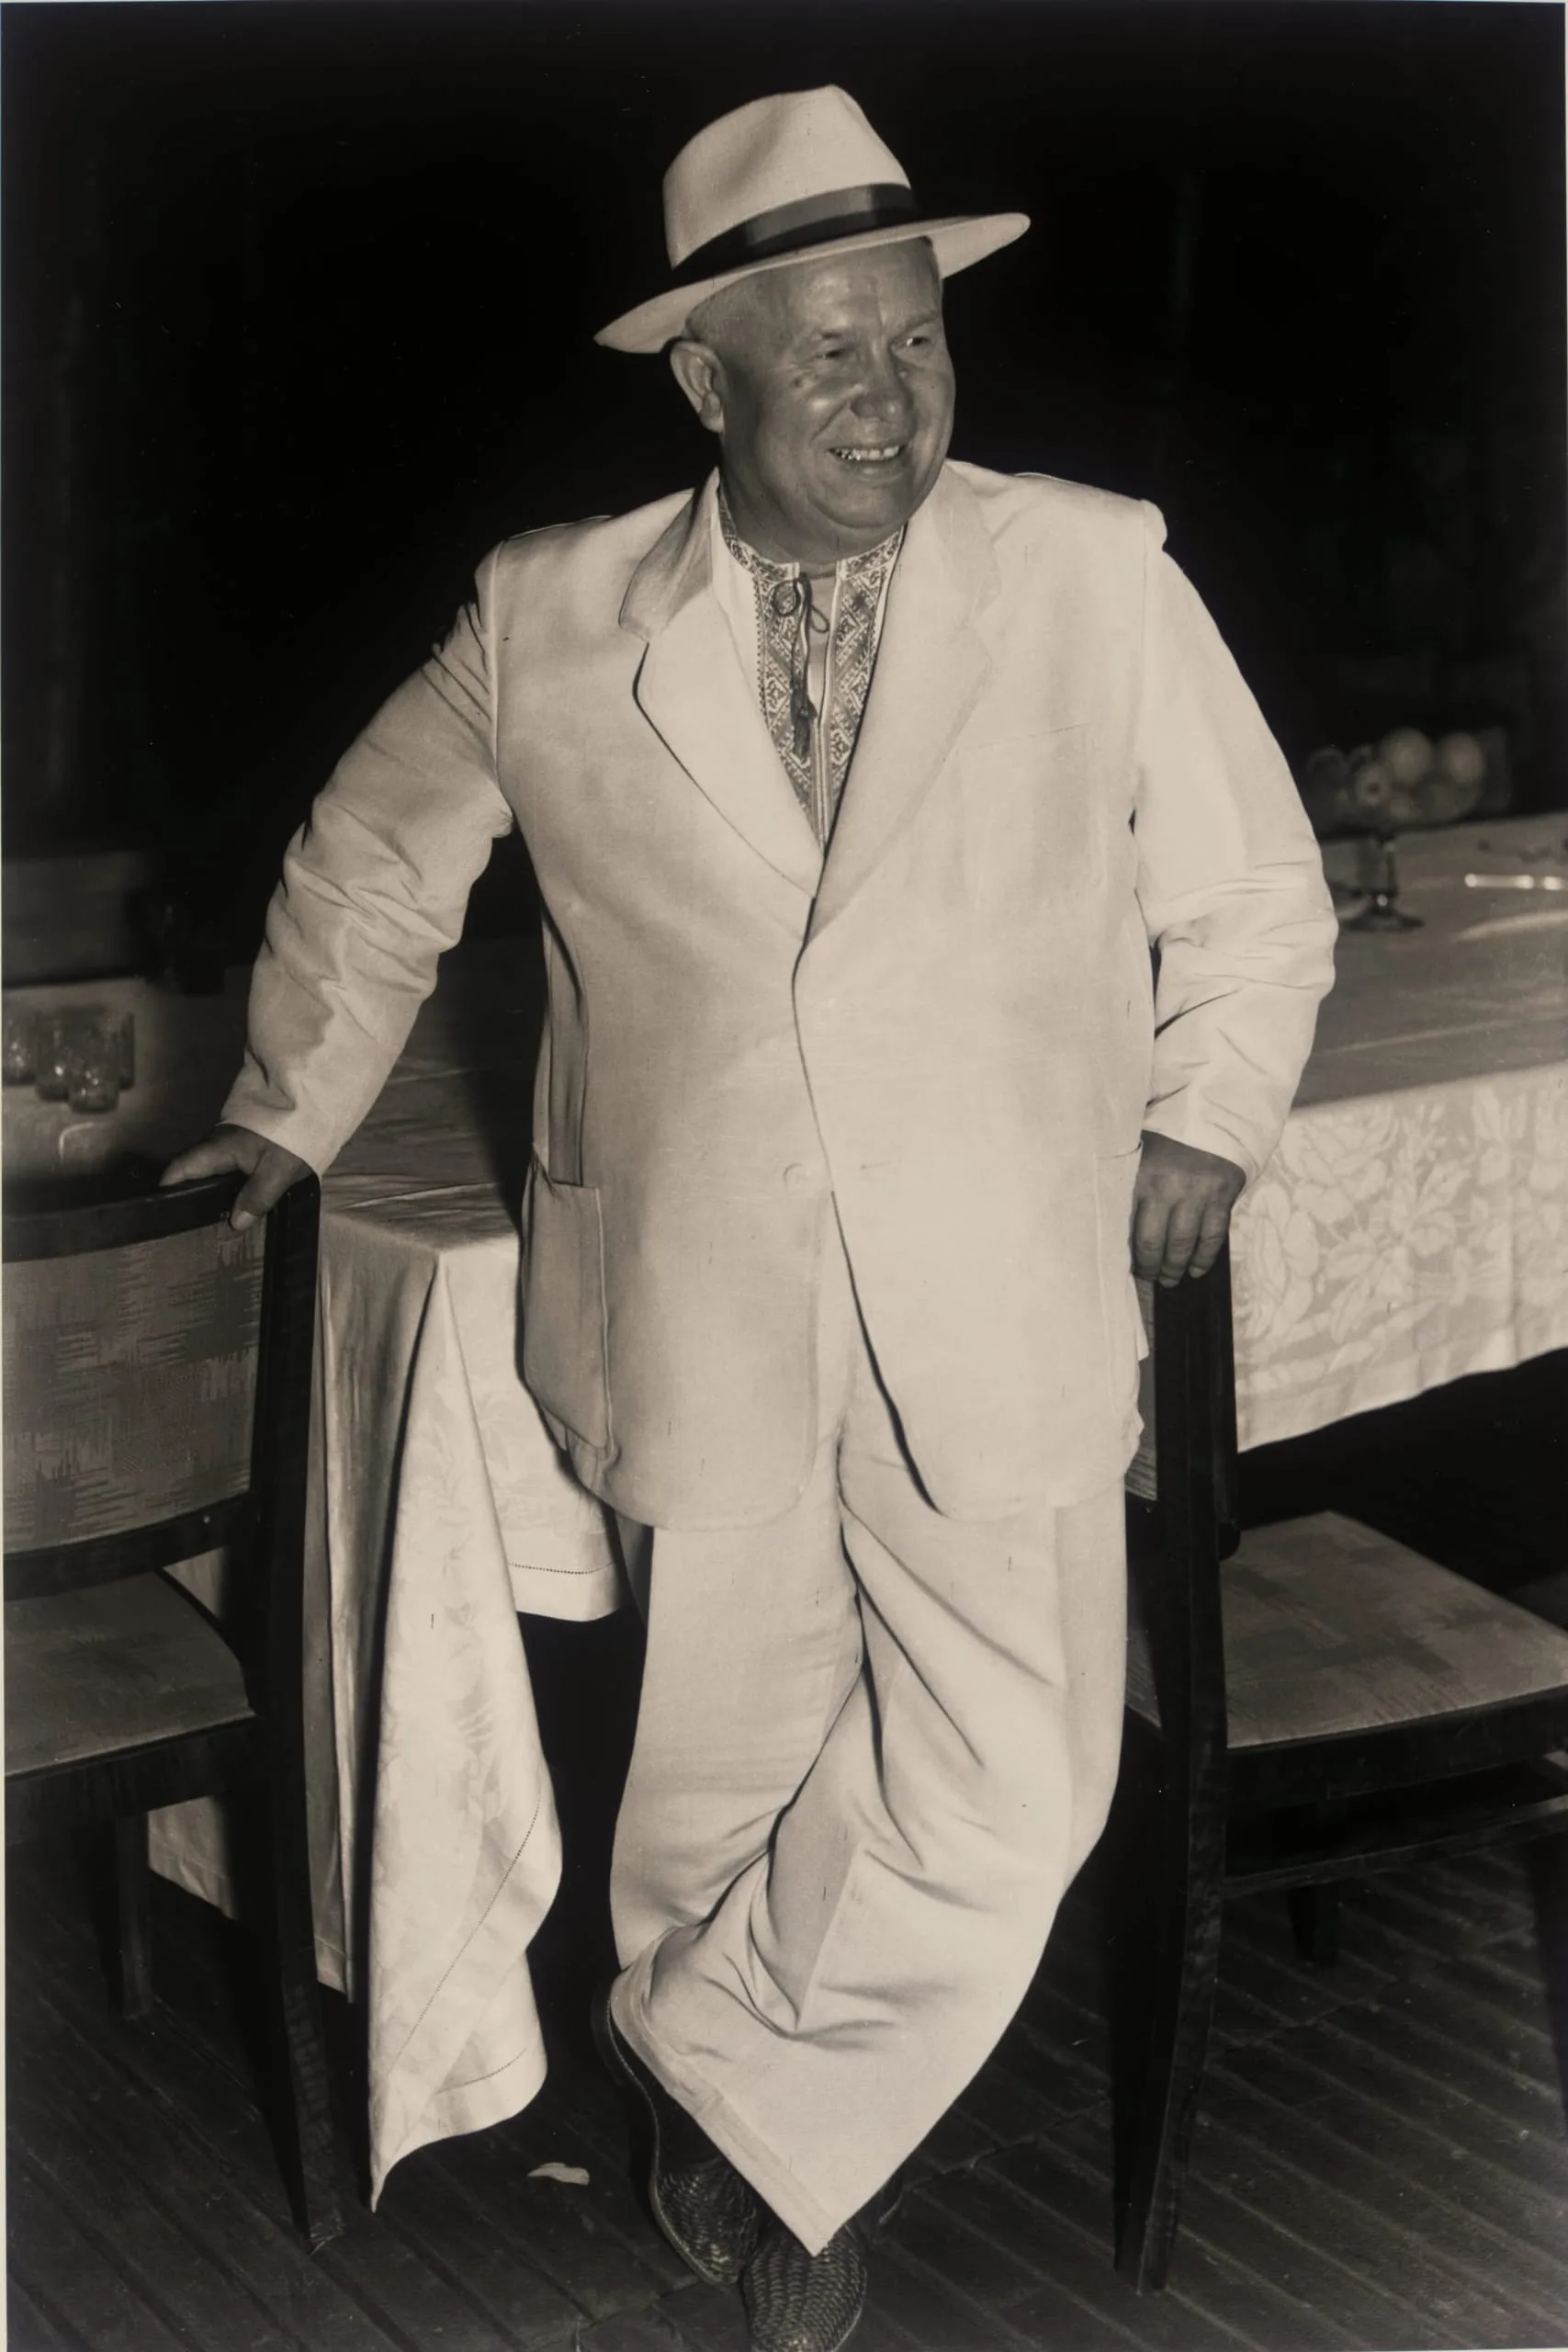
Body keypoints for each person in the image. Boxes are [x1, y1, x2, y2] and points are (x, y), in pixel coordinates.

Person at [164, 85, 1336, 2352]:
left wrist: (1207, 1113)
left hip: (994, 1276)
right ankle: (789, 2171)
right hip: (690, 1280)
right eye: (830, 355)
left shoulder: (1091, 571)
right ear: (706, 382)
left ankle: (705, 2059)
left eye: (917, 339)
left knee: (1019, 1773)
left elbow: (1254, 896)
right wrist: (283, 1121)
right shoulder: (548, 612)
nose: (890, 394)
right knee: (720, 1758)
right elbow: (371, 867)